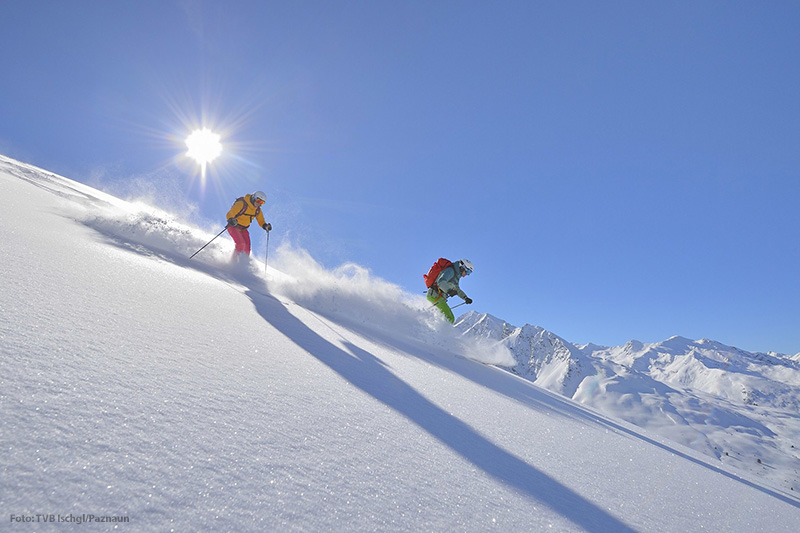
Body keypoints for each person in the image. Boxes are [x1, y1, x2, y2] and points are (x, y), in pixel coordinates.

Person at [226, 191, 272, 259]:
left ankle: (242, 265)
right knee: (241, 244)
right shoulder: (242, 203)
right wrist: (231, 219)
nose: (258, 203)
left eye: (261, 203)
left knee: (247, 248)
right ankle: (233, 262)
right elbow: (230, 214)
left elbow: (261, 220)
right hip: (233, 226)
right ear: (254, 197)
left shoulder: (257, 210)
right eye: (258, 200)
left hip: (243, 229)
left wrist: (265, 226)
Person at [427, 259, 474, 323]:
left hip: (438, 297)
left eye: (469, 273)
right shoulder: (450, 271)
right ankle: (438, 332)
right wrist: (449, 290)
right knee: (450, 318)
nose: (467, 275)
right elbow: (441, 282)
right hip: (434, 295)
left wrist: (465, 298)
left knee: (447, 317)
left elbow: (457, 289)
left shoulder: (456, 277)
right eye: (468, 272)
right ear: (463, 267)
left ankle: (431, 329)